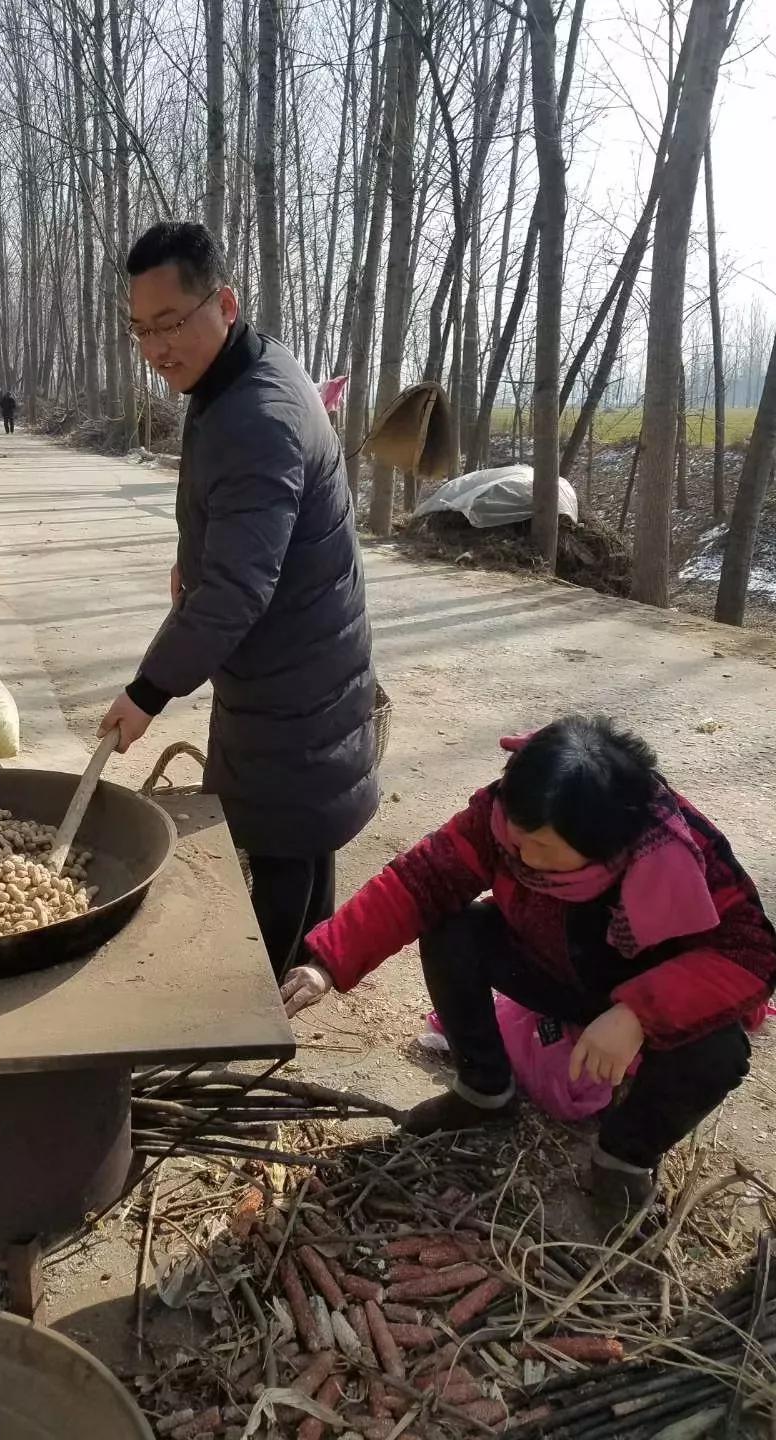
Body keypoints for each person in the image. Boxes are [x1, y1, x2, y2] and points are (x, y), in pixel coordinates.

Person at [282, 717, 776, 1214]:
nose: (521, 855)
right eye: (517, 840)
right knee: (453, 930)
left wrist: (637, 1015)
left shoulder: (678, 851)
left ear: (603, 844)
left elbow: (751, 955)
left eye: (542, 848)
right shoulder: (505, 814)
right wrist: (327, 963)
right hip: (550, 964)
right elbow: (420, 879)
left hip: (645, 992)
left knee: (721, 1050)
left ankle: (622, 1159)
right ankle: (484, 1092)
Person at [98, 221, 378, 977]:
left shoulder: (257, 415)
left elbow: (236, 592)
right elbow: (241, 537)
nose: (157, 349)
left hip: (294, 667)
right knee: (303, 831)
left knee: (284, 843)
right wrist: (197, 558)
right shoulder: (241, 367)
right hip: (306, 647)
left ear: (223, 302)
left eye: (170, 324)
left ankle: (262, 1003)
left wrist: (148, 690)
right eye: (140, 330)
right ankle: (302, 974)